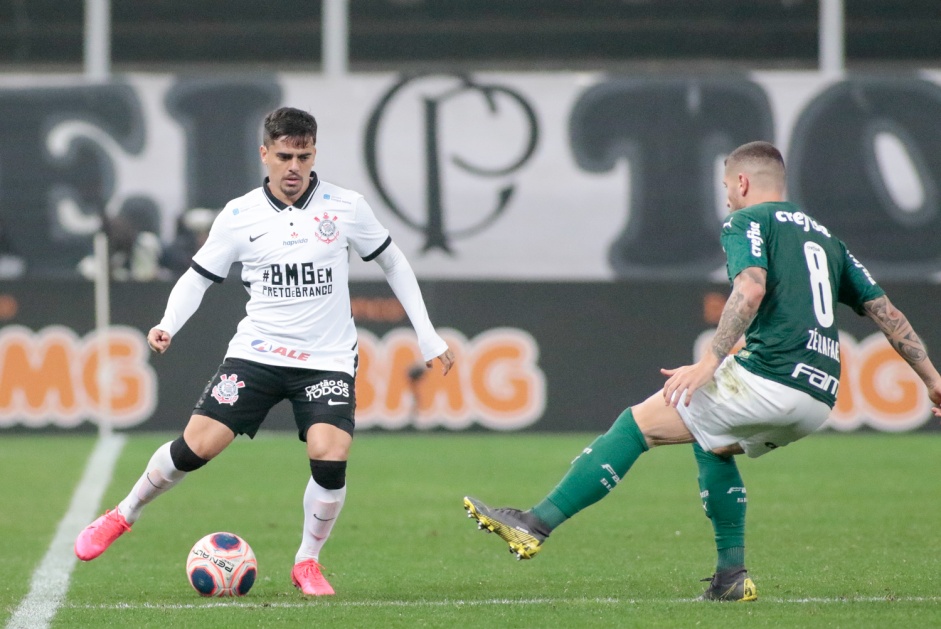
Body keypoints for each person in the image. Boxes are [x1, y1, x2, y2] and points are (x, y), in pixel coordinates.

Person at [463, 141, 941, 602]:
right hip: (818, 399)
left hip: (770, 378)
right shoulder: (827, 239)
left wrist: (710, 361)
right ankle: (731, 577)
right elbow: (885, 311)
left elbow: (750, 289)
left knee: (638, 424)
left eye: (727, 186)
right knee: (713, 442)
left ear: (743, 181)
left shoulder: (746, 220)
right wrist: (933, 380)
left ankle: (535, 524)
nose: (727, 195)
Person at [74, 106, 455, 596]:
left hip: (326, 359)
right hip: (257, 353)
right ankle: (123, 514)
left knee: (330, 452)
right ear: (265, 154)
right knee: (196, 447)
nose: (294, 166)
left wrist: (427, 334)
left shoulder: (346, 207)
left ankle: (307, 562)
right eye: (284, 156)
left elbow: (394, 263)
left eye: (303, 155)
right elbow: (197, 278)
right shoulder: (238, 215)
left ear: (315, 153)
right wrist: (168, 323)